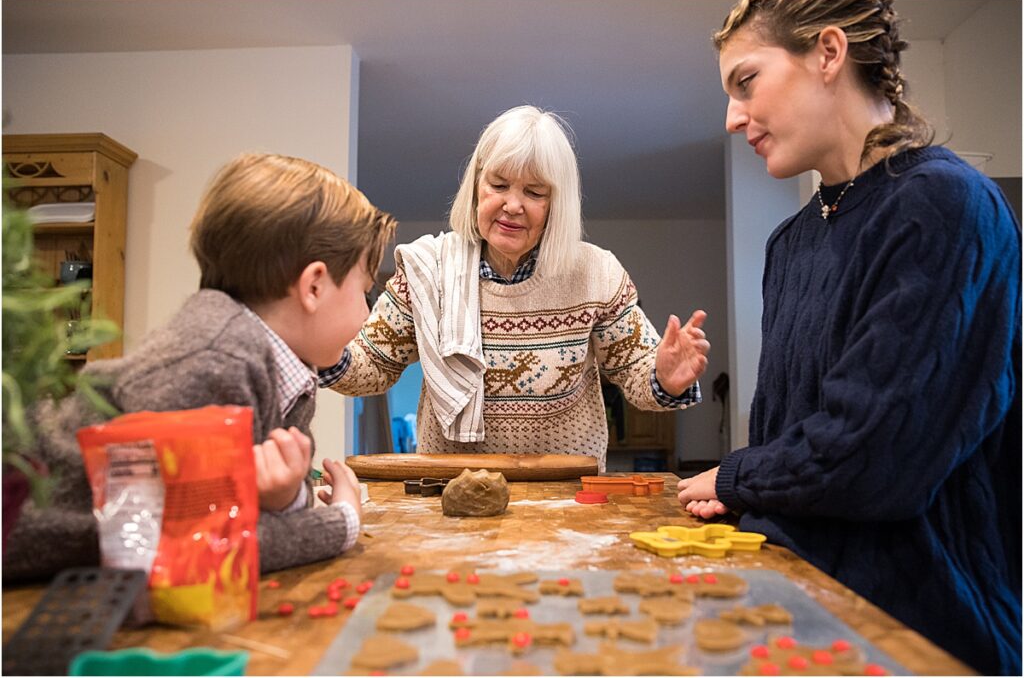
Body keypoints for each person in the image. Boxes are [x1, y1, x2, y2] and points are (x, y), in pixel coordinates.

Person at [677, 0, 1021, 674]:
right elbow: (790, 438)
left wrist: (739, 475)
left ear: (828, 54)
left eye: (746, 82)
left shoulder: (943, 205)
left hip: (921, 632)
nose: (732, 117)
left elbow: (875, 459)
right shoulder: (790, 242)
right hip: (799, 610)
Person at [3, 153, 397, 580]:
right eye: (365, 290)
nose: (364, 314)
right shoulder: (214, 364)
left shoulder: (284, 364)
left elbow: (236, 510)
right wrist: (342, 521)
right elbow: (195, 546)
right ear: (314, 286)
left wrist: (286, 500)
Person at [321, 105, 709, 471]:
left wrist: (664, 378)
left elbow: (638, 376)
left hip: (564, 494)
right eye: (499, 184)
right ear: (476, 187)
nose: (512, 205)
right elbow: (371, 367)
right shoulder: (428, 272)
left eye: (535, 192)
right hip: (450, 489)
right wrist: (320, 347)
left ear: (558, 204)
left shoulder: (596, 273)